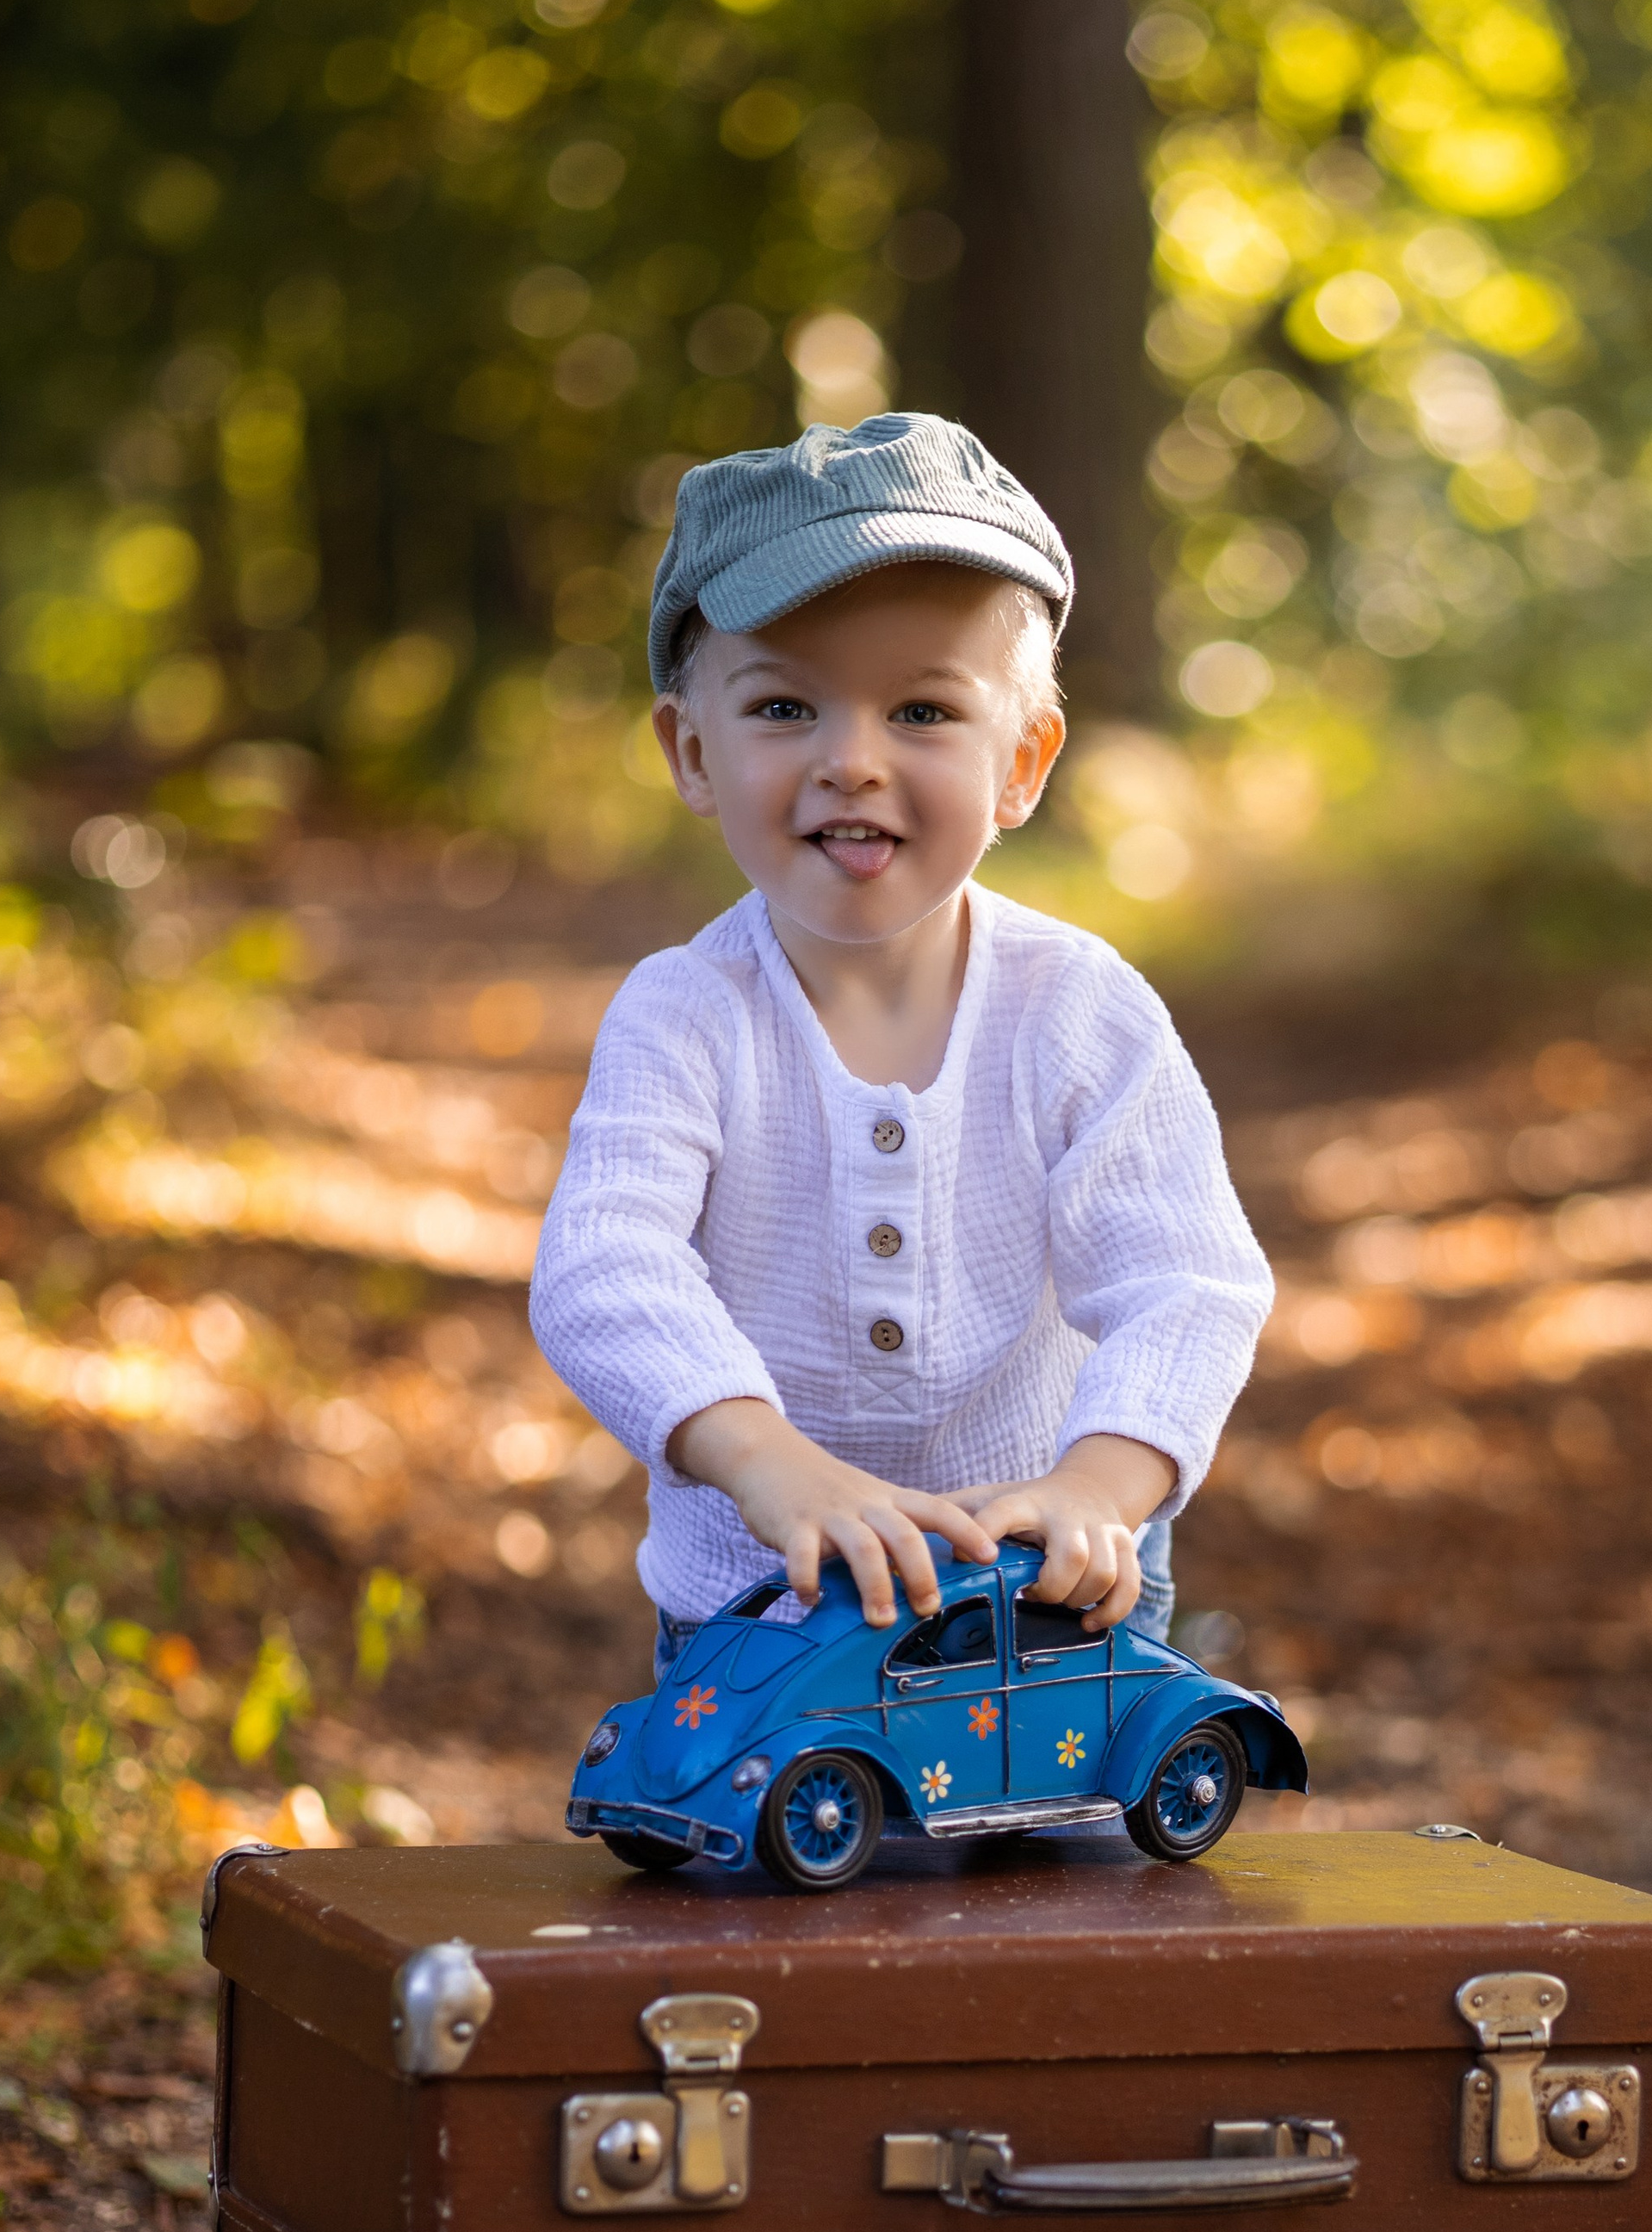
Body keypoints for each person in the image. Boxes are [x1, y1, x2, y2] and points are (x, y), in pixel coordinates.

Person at [529, 410, 1272, 1678]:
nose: (852, 762)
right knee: (763, 1858)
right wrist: (768, 1464)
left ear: (1023, 762)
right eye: (785, 707)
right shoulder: (685, 1013)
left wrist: (1100, 1482)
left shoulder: (1078, 1010)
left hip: (1046, 1594)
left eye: (923, 711)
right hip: (765, 1604)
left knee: (1078, 1872)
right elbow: (606, 1267)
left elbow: (1186, 1282)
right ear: (692, 751)